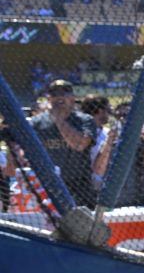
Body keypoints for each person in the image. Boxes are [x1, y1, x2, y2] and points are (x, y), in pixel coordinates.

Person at [30, 79, 97, 208]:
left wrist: (59, 120)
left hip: (80, 187)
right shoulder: (36, 123)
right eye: (55, 94)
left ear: (73, 98)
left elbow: (79, 145)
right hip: (49, 184)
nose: (59, 97)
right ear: (49, 98)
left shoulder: (84, 120)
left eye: (64, 94)